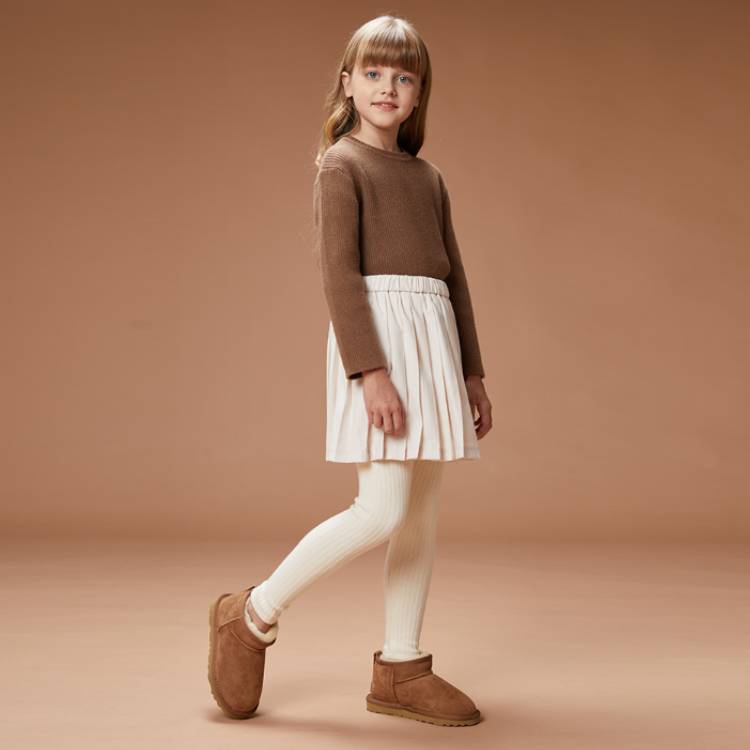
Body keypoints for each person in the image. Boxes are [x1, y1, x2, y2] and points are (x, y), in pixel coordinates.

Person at [208, 14, 493, 727]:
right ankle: (252, 614)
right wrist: (371, 371)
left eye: (403, 76)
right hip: (382, 343)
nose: (387, 87)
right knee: (382, 509)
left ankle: (402, 665)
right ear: (347, 84)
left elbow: (455, 278)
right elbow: (338, 275)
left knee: (420, 512)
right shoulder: (340, 167)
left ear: (419, 93)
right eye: (372, 73)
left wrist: (471, 372)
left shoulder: (429, 178)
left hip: (433, 341)